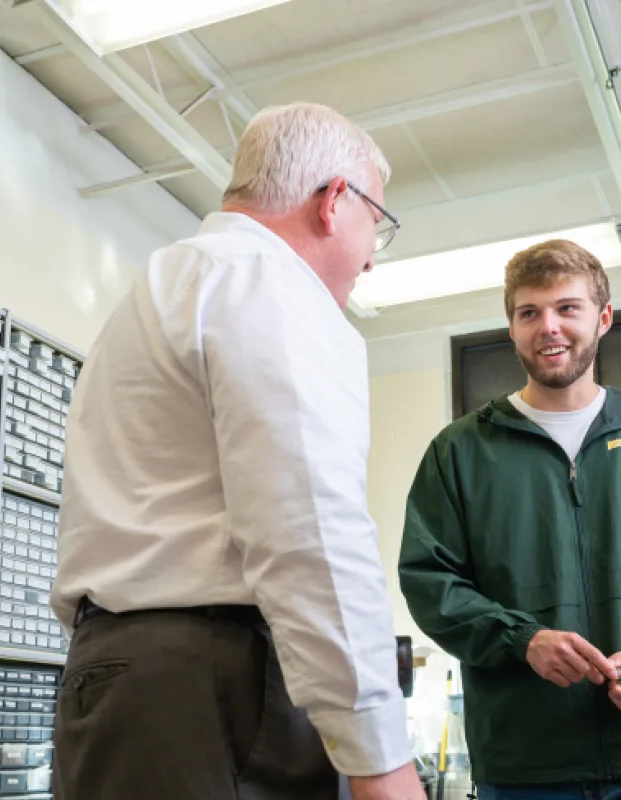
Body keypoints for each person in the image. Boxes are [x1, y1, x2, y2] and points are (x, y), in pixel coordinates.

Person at [49, 102, 425, 800]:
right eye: (378, 221)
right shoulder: (275, 287)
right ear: (335, 201)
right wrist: (383, 762)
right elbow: (307, 528)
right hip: (212, 685)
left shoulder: (162, 284)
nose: (373, 255)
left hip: (109, 677)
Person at [397, 240, 621, 800]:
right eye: (529, 313)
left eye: (568, 308)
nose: (549, 328)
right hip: (522, 767)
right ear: (511, 327)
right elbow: (430, 581)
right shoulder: (460, 452)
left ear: (602, 317)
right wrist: (521, 639)